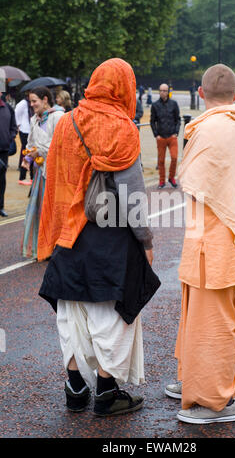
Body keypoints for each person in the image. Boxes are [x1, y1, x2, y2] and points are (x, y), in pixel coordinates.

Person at [37, 58, 160, 417]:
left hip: (68, 235)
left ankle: (74, 389)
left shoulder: (67, 121)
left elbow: (55, 177)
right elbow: (132, 193)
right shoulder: (123, 128)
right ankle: (107, 392)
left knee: (71, 312)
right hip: (108, 236)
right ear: (125, 88)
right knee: (111, 314)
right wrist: (146, 241)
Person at [165, 64, 235, 424]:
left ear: (200, 95)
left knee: (211, 325)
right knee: (223, 321)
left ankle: (215, 402)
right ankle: (196, 381)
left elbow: (192, 182)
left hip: (210, 246)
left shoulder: (203, 130)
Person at [21, 87, 64, 258]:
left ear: (45, 100)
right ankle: (42, 246)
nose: (32, 105)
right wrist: (28, 158)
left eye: (34, 101)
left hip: (56, 172)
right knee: (40, 210)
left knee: (54, 210)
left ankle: (56, 246)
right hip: (41, 172)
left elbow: (58, 145)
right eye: (30, 102)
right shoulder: (34, 120)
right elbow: (31, 142)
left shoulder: (58, 117)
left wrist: (39, 151)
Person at [150, 83, 181, 189]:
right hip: (161, 137)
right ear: (159, 91)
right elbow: (152, 121)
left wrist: (176, 132)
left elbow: (178, 119)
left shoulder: (174, 104)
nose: (163, 92)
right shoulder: (155, 105)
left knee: (174, 157)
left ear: (168, 92)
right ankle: (161, 181)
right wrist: (156, 135)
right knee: (161, 161)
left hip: (172, 136)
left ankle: (171, 177)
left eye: (165, 90)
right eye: (161, 90)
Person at [0, 94, 17, 217]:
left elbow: (13, 126)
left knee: (1, 180)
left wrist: (10, 137)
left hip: (3, 150)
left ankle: (0, 206)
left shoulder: (7, 108)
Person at [15, 92, 34, 185]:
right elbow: (16, 113)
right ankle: (22, 177)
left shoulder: (32, 103)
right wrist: (18, 124)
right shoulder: (23, 103)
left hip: (31, 129)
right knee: (25, 151)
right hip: (24, 130)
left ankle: (31, 177)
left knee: (31, 152)